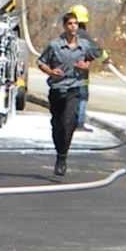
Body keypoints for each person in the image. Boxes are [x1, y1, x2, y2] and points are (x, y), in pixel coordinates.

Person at [37, 12, 102, 176]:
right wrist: (51, 72)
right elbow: (40, 62)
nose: (73, 27)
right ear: (65, 26)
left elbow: (93, 57)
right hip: (58, 89)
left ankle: (63, 157)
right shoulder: (54, 45)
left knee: (69, 122)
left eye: (75, 24)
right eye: (70, 24)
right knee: (58, 125)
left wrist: (86, 65)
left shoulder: (84, 45)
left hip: (74, 88)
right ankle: (59, 153)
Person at [68, 3, 114, 132]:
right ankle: (79, 124)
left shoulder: (65, 36)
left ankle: (67, 123)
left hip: (66, 75)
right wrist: (106, 59)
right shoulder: (84, 36)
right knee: (82, 98)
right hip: (80, 76)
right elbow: (96, 50)